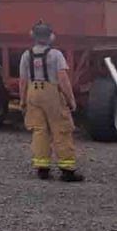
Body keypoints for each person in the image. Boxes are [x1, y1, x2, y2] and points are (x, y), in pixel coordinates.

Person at [19, 21, 83, 181]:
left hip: (33, 92)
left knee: (39, 131)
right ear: (50, 36)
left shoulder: (26, 55)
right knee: (61, 129)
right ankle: (67, 169)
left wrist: (22, 100)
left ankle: (42, 167)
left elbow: (23, 80)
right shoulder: (56, 55)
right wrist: (71, 99)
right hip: (51, 92)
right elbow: (63, 78)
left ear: (32, 36)